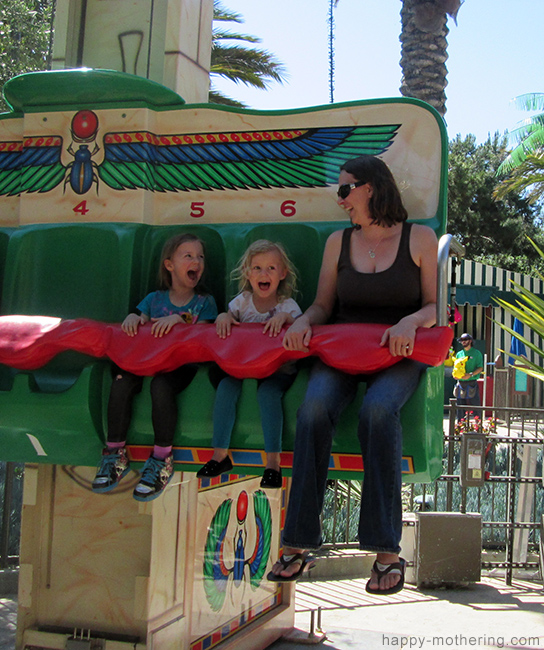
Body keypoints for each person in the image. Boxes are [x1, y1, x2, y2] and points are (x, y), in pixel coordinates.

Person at [267, 155, 438, 595]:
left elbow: (434, 307)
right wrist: (305, 321)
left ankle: (386, 551)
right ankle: (299, 540)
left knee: (379, 411)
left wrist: (410, 323)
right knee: (313, 409)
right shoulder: (337, 243)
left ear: (370, 188)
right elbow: (324, 305)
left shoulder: (419, 239)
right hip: (344, 348)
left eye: (345, 190)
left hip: (399, 349)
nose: (339, 199)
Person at [92, 233, 218, 501]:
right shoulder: (154, 298)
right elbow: (141, 318)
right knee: (121, 381)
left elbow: (205, 331)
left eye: (200, 257)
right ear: (169, 265)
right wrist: (133, 318)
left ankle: (161, 458)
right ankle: (114, 454)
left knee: (161, 387)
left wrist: (178, 319)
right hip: (146, 360)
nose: (196, 261)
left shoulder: (204, 302)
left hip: (181, 363)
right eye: (188, 256)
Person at [197, 240, 301, 488]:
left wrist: (285, 320)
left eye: (271, 269)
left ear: (282, 273)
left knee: (268, 395)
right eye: (257, 268)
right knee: (226, 388)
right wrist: (223, 317)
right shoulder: (242, 302)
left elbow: (300, 324)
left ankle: (273, 464)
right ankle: (220, 455)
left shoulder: (286, 306)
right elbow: (228, 317)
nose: (264, 274)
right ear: (247, 273)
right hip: (242, 367)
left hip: (276, 370)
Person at [454, 333, 484, 419]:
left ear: (470, 341)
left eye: (465, 340)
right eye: (462, 340)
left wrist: (470, 375)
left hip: (472, 382)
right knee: (460, 406)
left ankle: (478, 426)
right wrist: (455, 375)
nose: (463, 342)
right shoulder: (459, 354)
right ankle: (459, 426)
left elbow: (480, 367)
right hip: (461, 382)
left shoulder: (476, 353)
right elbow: (456, 367)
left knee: (475, 405)